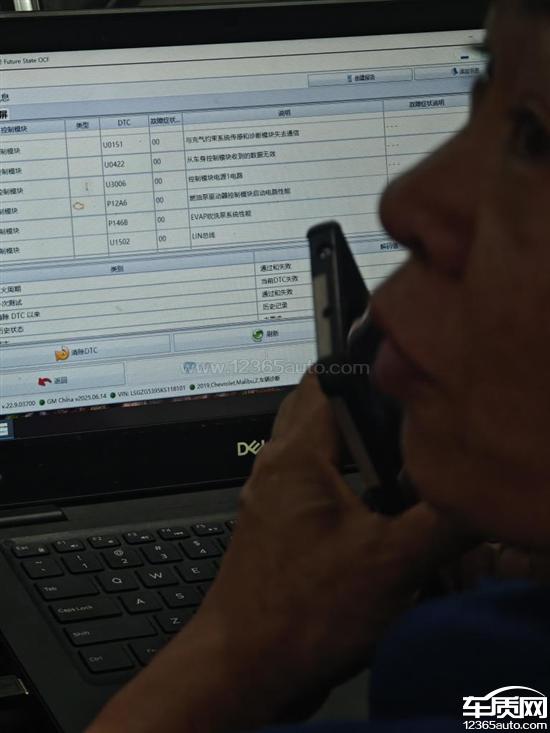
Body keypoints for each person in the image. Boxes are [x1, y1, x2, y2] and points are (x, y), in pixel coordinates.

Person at [86, 1, 550, 731]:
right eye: (480, 89)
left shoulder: (462, 676)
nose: (401, 200)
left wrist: (234, 647)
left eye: (533, 136)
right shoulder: (492, 654)